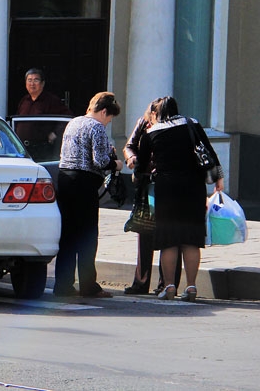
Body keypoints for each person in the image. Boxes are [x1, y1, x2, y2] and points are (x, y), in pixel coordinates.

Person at [137, 96, 224, 302]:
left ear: (158, 113)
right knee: (191, 239)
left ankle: (168, 287)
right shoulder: (192, 124)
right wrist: (218, 178)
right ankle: (191, 287)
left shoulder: (151, 133)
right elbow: (209, 153)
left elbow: (141, 167)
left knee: (169, 240)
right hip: (193, 187)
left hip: (166, 189)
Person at [53, 92, 123, 298]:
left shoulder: (73, 123)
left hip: (65, 179)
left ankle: (62, 285)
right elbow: (100, 161)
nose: (108, 123)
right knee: (87, 236)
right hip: (84, 184)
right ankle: (88, 285)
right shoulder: (97, 127)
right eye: (109, 118)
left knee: (67, 236)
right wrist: (116, 163)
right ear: (103, 112)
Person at [122, 98, 181, 295]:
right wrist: (132, 158)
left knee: (169, 234)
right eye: (153, 113)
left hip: (166, 184)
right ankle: (141, 282)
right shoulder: (143, 123)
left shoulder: (174, 128)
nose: (155, 117)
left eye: (158, 114)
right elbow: (129, 146)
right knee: (145, 232)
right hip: (146, 183)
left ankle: (167, 283)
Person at [15, 68, 72, 161]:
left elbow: (67, 118)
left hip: (42, 149)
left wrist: (55, 133)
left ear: (42, 83)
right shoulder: (24, 101)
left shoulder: (51, 100)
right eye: (29, 80)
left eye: (36, 80)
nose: (32, 84)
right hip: (23, 149)